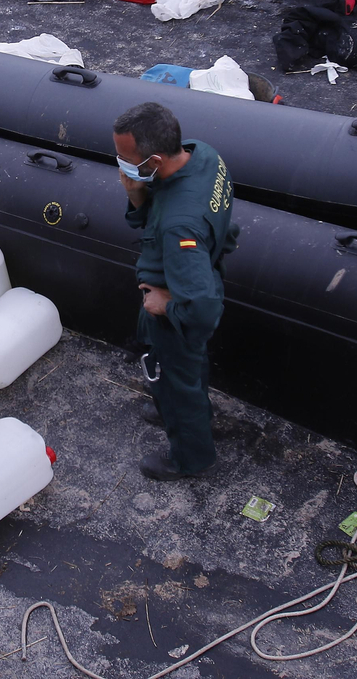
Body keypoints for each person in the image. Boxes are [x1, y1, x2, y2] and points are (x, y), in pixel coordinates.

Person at [114, 102, 239, 480]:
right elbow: (155, 210)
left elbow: (201, 311)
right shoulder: (202, 153)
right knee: (185, 372)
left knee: (178, 380)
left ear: (153, 160)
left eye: (126, 158)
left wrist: (165, 306)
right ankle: (176, 408)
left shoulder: (180, 227)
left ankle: (190, 457)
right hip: (191, 273)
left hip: (178, 295)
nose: (120, 164)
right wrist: (136, 194)